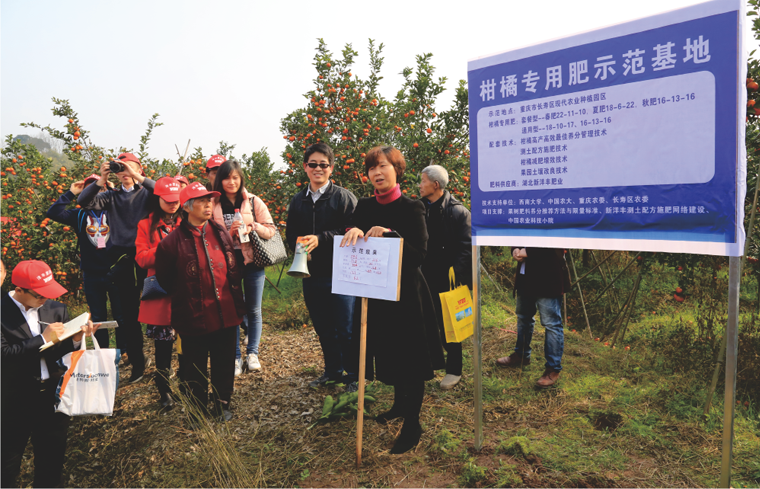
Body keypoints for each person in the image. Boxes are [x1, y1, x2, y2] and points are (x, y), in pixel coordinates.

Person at [341, 146, 444, 454]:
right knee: (390, 353)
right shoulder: (363, 205)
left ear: (396, 170)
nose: (377, 172)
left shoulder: (413, 208)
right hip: (377, 295)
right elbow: (352, 232)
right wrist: (353, 230)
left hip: (407, 295)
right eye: (372, 168)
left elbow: (418, 255)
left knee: (410, 359)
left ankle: (413, 424)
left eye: (383, 166)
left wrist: (389, 234)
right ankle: (400, 405)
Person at [1, 260, 98, 488]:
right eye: (39, 295)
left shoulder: (56, 309)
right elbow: (4, 355)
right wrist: (42, 339)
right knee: (7, 465)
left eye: (48, 293)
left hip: (52, 398)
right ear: (19, 290)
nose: (45, 299)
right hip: (13, 399)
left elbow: (59, 353)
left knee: (51, 464)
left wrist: (75, 340)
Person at [155, 182, 245, 422]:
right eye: (202, 201)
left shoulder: (220, 231)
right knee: (194, 365)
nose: (208, 205)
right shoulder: (171, 243)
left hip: (225, 309)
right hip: (192, 314)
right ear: (186, 207)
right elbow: (165, 280)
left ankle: (222, 403)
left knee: (224, 359)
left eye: (210, 200)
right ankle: (198, 409)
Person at [77, 152, 156, 384]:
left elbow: (163, 192)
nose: (125, 172)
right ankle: (138, 363)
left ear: (139, 169)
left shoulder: (146, 193)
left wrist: (136, 176)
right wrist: (101, 180)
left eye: (129, 167)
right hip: (123, 260)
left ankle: (166, 362)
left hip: (148, 256)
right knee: (129, 315)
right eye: (120, 169)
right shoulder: (111, 196)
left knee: (159, 310)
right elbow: (83, 202)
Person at [286, 143, 359, 390]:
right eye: (313, 164)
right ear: (305, 167)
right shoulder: (298, 200)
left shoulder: (343, 197)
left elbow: (353, 230)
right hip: (312, 274)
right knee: (324, 327)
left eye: (323, 165)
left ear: (331, 168)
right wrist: (298, 245)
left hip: (342, 274)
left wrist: (322, 238)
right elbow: (291, 233)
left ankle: (353, 376)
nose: (318, 169)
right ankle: (333, 371)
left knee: (346, 329)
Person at [47, 173, 126, 353]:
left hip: (115, 272)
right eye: (90, 188)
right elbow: (53, 213)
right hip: (91, 274)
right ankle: (102, 352)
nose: (95, 192)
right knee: (98, 318)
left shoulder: (115, 210)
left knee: (120, 315)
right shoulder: (79, 214)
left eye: (99, 187)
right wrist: (71, 193)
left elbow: (130, 203)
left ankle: (123, 351)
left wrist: (114, 190)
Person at [211, 159, 276, 375]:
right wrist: (228, 234)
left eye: (235, 178)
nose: (231, 182)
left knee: (254, 310)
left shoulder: (254, 202)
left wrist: (254, 226)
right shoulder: (213, 204)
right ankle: (236, 357)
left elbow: (271, 230)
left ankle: (252, 353)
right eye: (226, 178)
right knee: (231, 310)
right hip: (226, 264)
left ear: (241, 179)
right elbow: (207, 237)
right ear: (220, 181)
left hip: (253, 262)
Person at [418, 165, 472, 391]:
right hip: (423, 275)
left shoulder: (457, 212)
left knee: (450, 324)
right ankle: (431, 362)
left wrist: (455, 274)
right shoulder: (420, 208)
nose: (419, 185)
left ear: (436, 184)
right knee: (426, 321)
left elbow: (467, 248)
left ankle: (454, 369)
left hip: (447, 278)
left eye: (423, 181)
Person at [135, 177, 182, 410]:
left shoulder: (187, 221)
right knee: (163, 349)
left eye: (176, 200)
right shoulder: (146, 225)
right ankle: (164, 392)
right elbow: (141, 258)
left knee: (187, 346)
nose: (173, 204)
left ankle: (187, 386)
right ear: (158, 199)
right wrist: (164, 249)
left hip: (186, 292)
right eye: (167, 200)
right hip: (162, 294)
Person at [496, 247, 570, 388]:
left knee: (551, 324)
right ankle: (521, 355)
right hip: (525, 276)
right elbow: (517, 235)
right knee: (524, 317)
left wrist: (528, 252)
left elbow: (556, 240)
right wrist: (515, 249)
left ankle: (553, 368)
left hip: (548, 276)